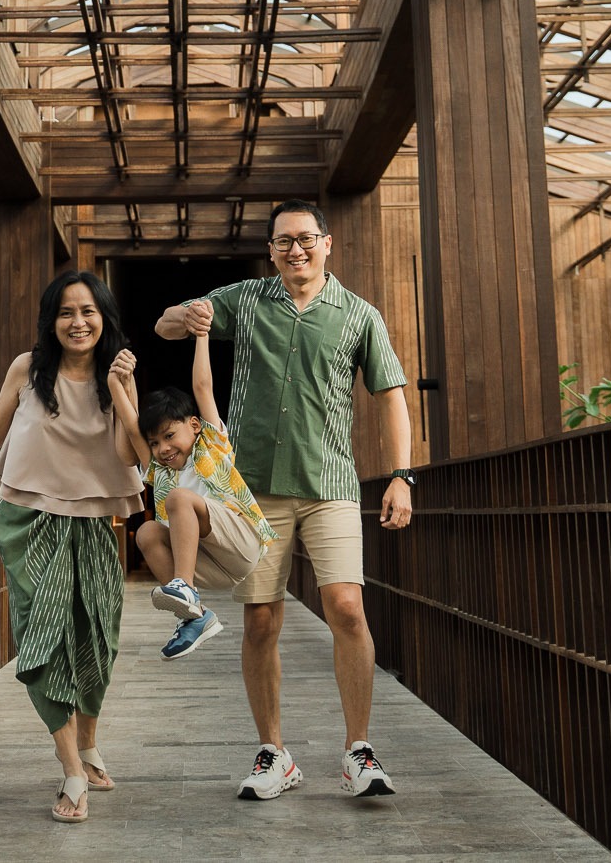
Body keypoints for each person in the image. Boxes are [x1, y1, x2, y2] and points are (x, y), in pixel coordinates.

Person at [155, 199, 415, 801]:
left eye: (304, 239)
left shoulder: (359, 316)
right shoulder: (246, 299)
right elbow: (166, 327)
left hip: (331, 486)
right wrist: (185, 314)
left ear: (327, 243)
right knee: (261, 619)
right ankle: (275, 754)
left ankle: (358, 751)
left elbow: (392, 396)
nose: (294, 251)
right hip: (255, 491)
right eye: (282, 243)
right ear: (270, 251)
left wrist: (401, 475)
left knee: (346, 607)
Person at [0, 270, 144, 823]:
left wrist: (125, 389)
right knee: (41, 636)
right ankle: (71, 766)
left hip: (93, 521)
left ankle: (91, 744)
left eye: (88, 312)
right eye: (66, 313)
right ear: (51, 322)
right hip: (26, 518)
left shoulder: (116, 373)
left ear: (105, 319)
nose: (78, 322)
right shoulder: (28, 369)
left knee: (97, 638)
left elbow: (133, 456)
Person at [109, 330, 276, 661]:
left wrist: (201, 334)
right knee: (147, 532)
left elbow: (202, 387)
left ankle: (183, 587)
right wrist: (116, 383)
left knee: (179, 500)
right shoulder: (161, 470)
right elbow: (131, 428)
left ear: (195, 425)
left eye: (170, 436)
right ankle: (194, 616)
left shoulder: (212, 445)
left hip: (242, 544)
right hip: (213, 564)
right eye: (155, 443)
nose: (163, 448)